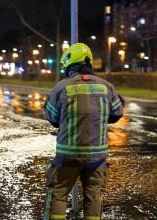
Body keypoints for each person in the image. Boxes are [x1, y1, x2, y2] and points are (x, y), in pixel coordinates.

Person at [43, 43, 125, 220]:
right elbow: (117, 113)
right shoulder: (106, 87)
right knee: (93, 197)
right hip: (97, 156)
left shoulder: (62, 87)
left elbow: (53, 118)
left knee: (59, 194)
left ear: (70, 64)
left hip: (68, 155)